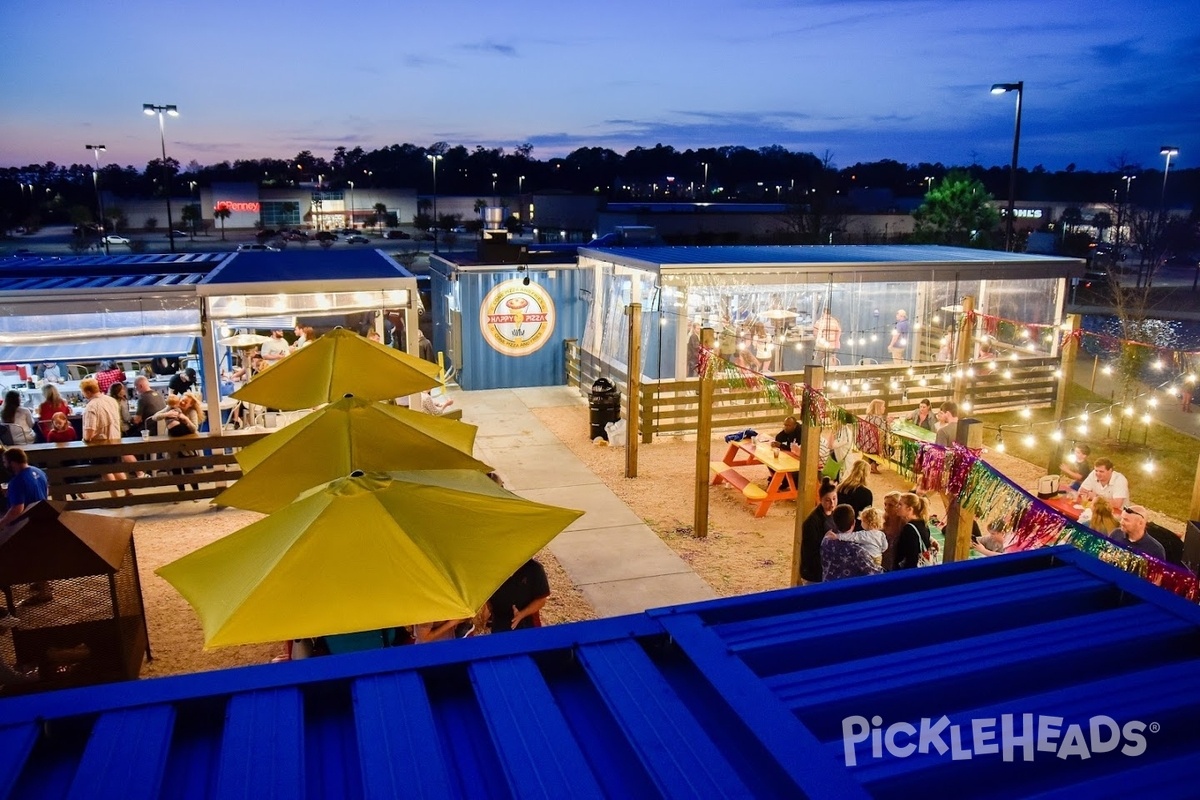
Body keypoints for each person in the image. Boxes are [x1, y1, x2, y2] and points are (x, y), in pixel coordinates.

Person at [0, 448, 53, 618]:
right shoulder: (39, 471)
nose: (4, 464)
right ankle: (41, 581)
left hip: (26, 525)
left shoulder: (16, 481)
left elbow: (17, 509)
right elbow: (46, 492)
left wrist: (2, 523)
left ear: (12, 462)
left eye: (5, 461)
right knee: (39, 554)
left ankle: (44, 592)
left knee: (29, 556)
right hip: (43, 520)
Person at [81, 377, 130, 497]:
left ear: (87, 392)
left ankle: (114, 497)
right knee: (117, 468)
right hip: (115, 439)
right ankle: (128, 492)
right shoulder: (111, 400)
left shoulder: (91, 406)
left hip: (101, 443)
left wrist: (86, 439)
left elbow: (90, 431)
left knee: (106, 471)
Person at [487, 559, 550, 633]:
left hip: (528, 625)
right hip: (498, 624)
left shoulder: (534, 568)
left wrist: (522, 614)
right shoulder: (491, 568)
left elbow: (541, 600)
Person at [799, 477, 839, 584]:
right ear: (820, 500)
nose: (832, 503)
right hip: (814, 573)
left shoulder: (836, 514)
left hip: (828, 569)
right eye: (827, 500)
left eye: (834, 498)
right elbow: (810, 551)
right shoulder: (811, 522)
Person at [893, 492, 933, 570]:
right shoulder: (923, 524)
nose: (897, 507)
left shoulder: (909, 529)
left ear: (910, 509)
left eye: (900, 505)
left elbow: (911, 556)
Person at [858, 398, 888, 472]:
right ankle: (873, 465)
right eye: (883, 406)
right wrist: (888, 423)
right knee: (889, 447)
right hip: (873, 445)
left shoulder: (868, 416)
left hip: (866, 443)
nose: (884, 408)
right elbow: (886, 430)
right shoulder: (878, 419)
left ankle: (871, 464)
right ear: (878, 408)